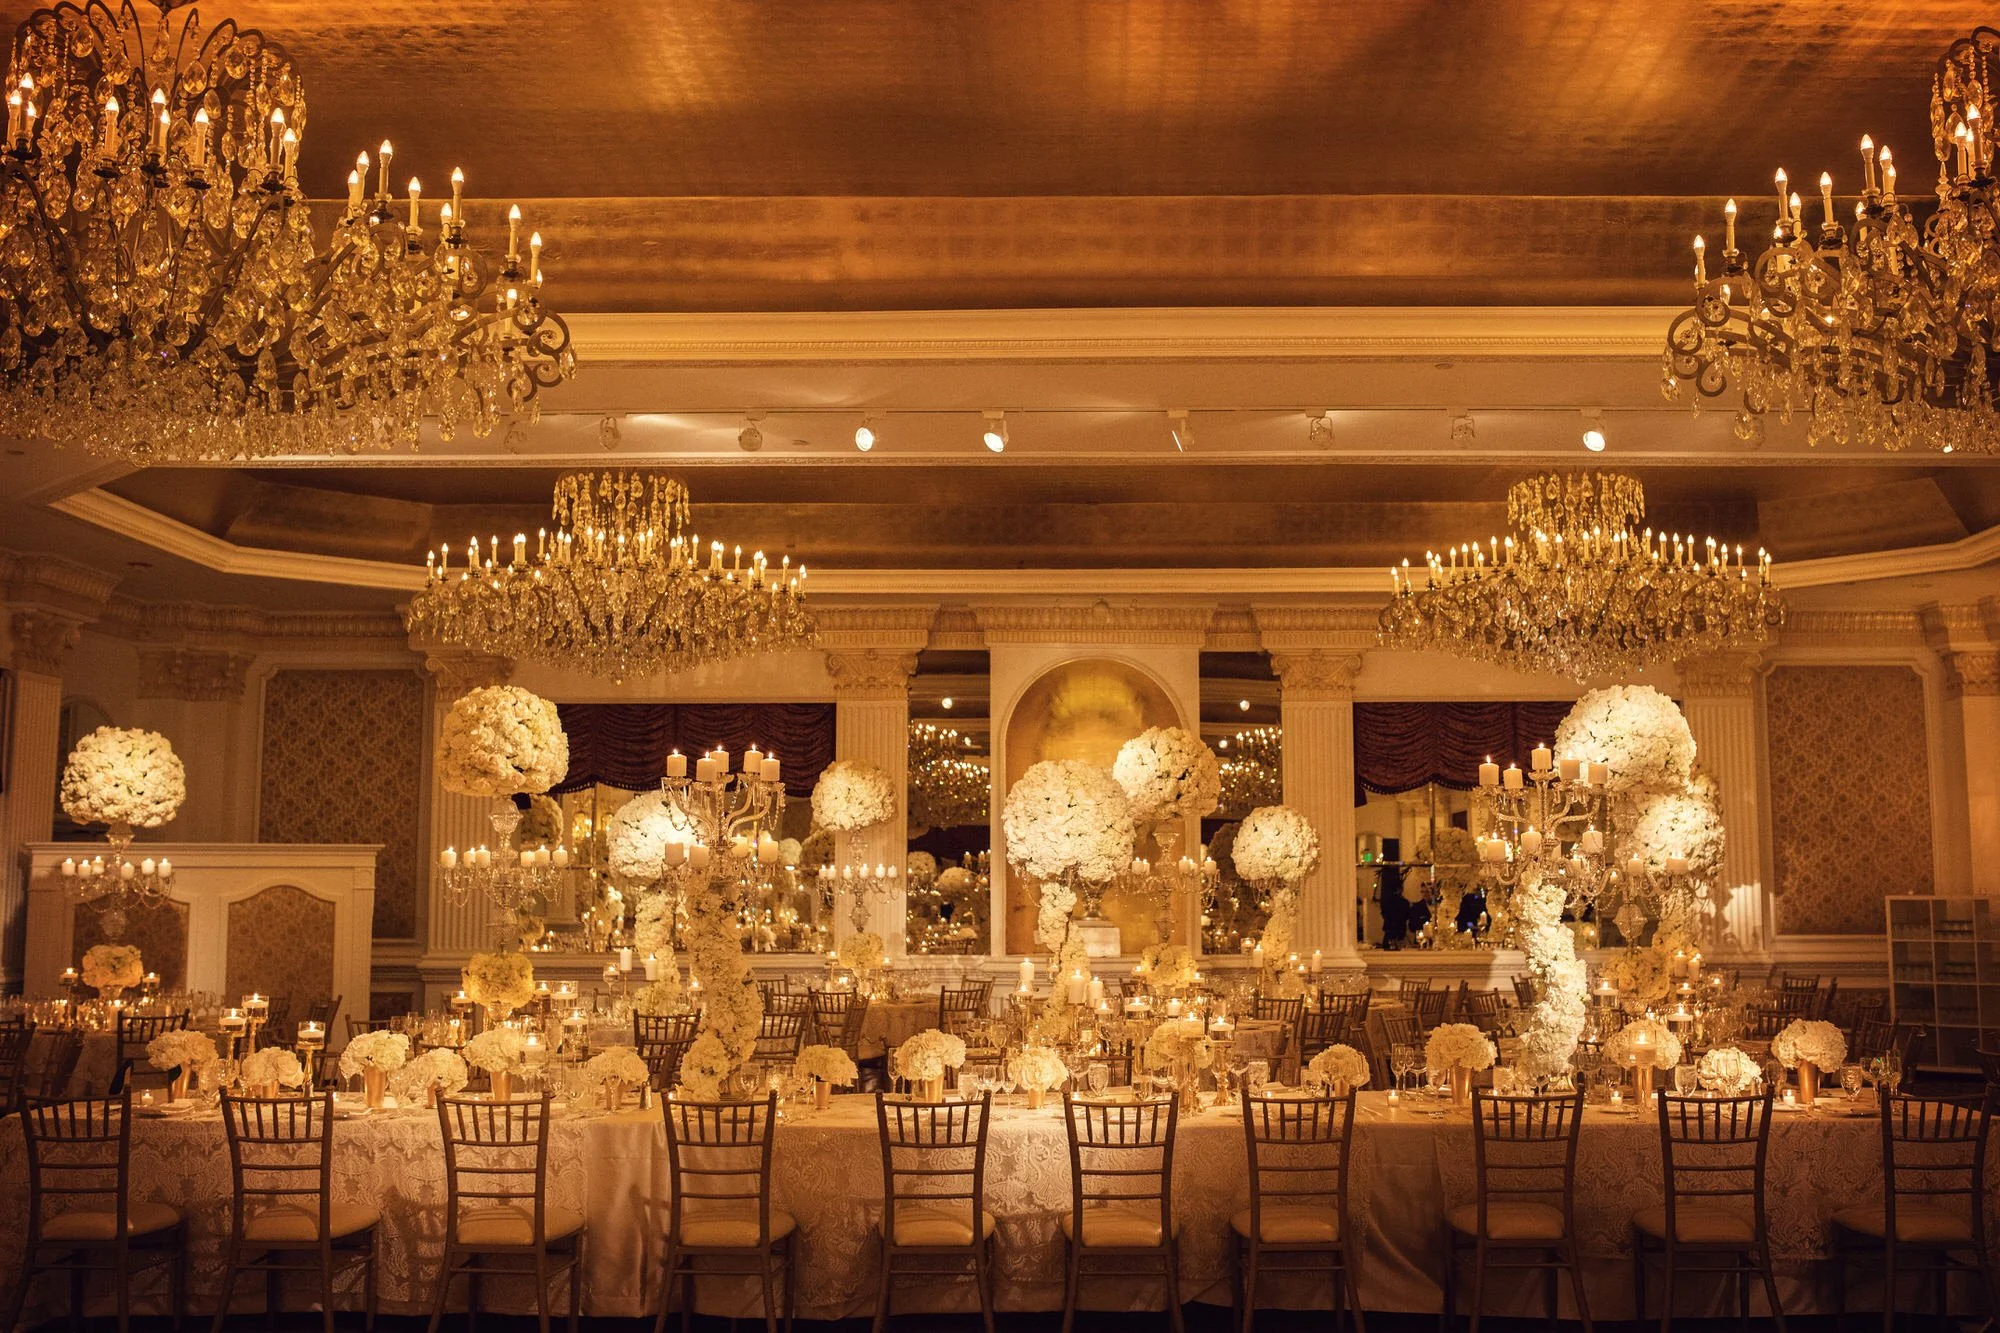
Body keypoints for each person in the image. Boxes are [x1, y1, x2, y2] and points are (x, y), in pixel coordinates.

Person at [1378, 864, 1410, 949]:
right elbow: (1406, 916)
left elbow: (1384, 914)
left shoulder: (1386, 901)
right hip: (1399, 933)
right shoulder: (1403, 902)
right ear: (1399, 889)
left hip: (1389, 931)